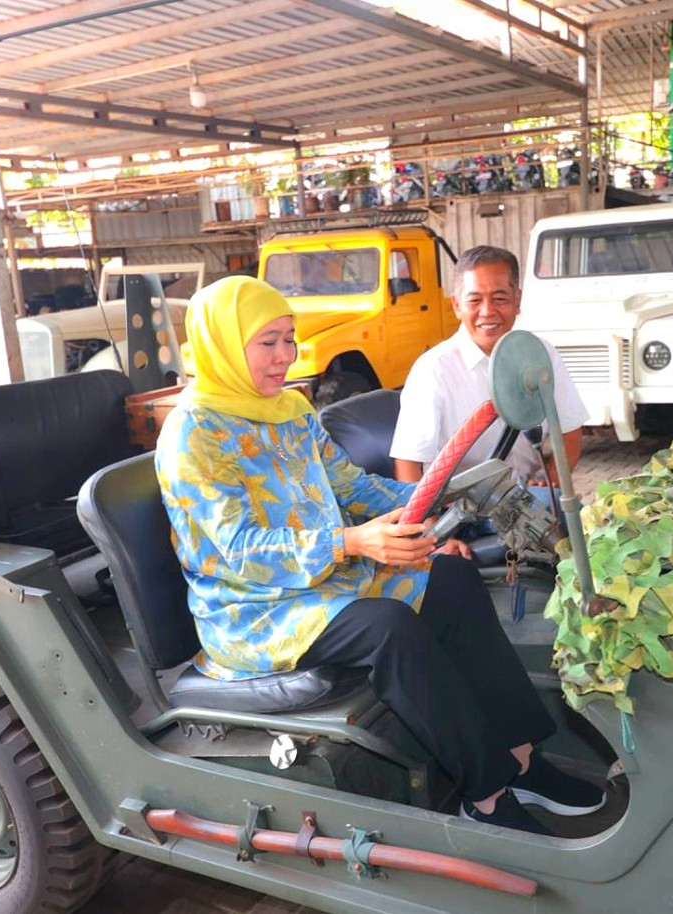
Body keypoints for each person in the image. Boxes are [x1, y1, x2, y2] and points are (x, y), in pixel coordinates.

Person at [155, 275, 605, 835]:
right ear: (224, 343)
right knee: (389, 626)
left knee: (452, 576)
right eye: (267, 342)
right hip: (253, 606)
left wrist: (443, 499)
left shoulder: (290, 410)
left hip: (329, 579)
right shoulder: (192, 433)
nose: (285, 356)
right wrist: (350, 541)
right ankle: (485, 793)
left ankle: (520, 760)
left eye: (289, 340)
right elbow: (235, 551)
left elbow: (352, 487)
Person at [390, 245, 589, 488]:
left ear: (518, 300)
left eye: (500, 298)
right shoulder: (432, 371)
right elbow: (409, 463)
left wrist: (550, 482)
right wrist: (428, 525)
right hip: (461, 511)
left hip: (528, 497)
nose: (487, 312)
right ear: (456, 306)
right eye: (474, 300)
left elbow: (569, 430)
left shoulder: (541, 354)